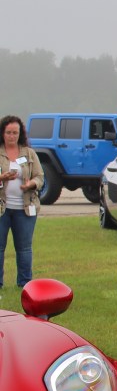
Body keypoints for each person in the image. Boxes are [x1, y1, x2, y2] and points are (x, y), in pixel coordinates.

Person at [1, 115, 44, 288]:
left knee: (24, 248)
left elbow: (40, 177)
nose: (12, 136)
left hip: (25, 208)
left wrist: (30, 184)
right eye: (8, 132)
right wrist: (2, 177)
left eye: (15, 133)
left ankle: (25, 283)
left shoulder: (29, 153)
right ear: (2, 133)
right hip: (2, 208)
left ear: (21, 134)